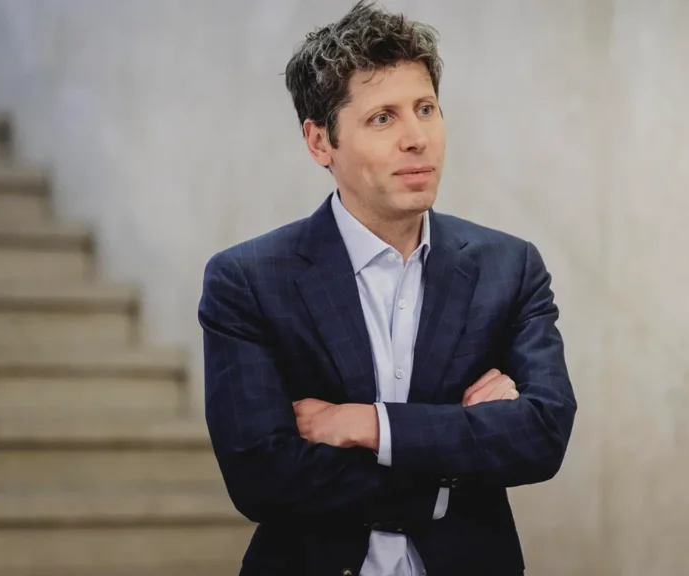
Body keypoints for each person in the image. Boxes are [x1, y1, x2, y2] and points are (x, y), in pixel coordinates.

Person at [198, 2, 577, 574]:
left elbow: (542, 434)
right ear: (320, 141)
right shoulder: (248, 280)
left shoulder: (509, 267)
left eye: (426, 109)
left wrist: (366, 425)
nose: (417, 138)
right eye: (383, 118)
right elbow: (263, 478)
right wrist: (450, 473)